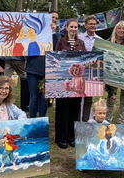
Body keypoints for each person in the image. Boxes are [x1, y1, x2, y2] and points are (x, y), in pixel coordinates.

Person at [54, 19, 86, 149]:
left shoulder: (81, 43)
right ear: (66, 28)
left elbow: (84, 59)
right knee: (63, 109)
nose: (73, 29)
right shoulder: (60, 42)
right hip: (63, 80)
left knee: (74, 109)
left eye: (76, 27)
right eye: (71, 26)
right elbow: (55, 60)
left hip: (77, 81)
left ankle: (72, 136)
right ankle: (61, 137)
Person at [26, 17, 59, 118]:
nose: (53, 19)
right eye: (52, 17)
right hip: (32, 69)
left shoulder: (55, 34)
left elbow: (56, 48)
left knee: (44, 98)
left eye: (56, 18)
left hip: (46, 71)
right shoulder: (35, 31)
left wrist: (53, 32)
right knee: (34, 98)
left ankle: (42, 121)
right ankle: (32, 121)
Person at [78, 15, 102, 121]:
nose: (93, 26)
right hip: (79, 72)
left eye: (94, 24)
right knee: (78, 98)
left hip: (93, 73)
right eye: (90, 24)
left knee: (88, 99)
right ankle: (77, 121)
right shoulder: (79, 38)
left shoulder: (100, 41)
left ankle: (85, 121)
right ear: (85, 25)